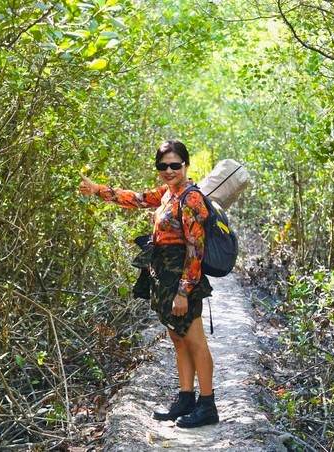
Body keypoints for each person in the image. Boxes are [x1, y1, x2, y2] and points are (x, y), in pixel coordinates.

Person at [79, 140, 219, 428]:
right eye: (162, 166)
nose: (168, 170)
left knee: (194, 339)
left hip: (182, 276)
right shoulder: (168, 194)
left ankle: (207, 405)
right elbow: (138, 198)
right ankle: (185, 398)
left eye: (174, 165)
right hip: (162, 274)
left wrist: (184, 291)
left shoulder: (190, 199)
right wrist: (98, 190)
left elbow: (195, 249)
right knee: (178, 338)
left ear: (186, 165)